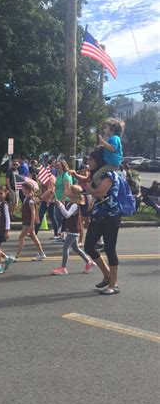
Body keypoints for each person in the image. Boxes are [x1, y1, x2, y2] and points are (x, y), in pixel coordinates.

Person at [84, 149, 122, 295]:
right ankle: (107, 274)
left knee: (110, 249)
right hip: (98, 216)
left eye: (91, 160)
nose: (88, 162)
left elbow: (102, 192)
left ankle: (114, 284)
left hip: (111, 216)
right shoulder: (96, 175)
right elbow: (97, 195)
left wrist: (89, 189)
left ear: (99, 161)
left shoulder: (110, 175)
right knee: (89, 246)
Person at [51, 185, 95, 275]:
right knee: (76, 248)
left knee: (65, 248)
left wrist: (60, 206)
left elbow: (67, 215)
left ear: (74, 194)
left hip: (73, 230)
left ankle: (63, 268)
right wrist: (60, 204)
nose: (66, 192)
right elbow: (66, 215)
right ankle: (89, 262)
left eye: (68, 191)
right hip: (71, 229)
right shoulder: (70, 203)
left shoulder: (75, 205)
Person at [15, 182, 46, 261]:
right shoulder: (26, 198)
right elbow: (24, 207)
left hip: (28, 222)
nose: (22, 190)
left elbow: (33, 212)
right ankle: (41, 253)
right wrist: (19, 209)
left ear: (27, 189)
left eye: (23, 188)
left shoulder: (31, 200)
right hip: (26, 220)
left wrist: (32, 224)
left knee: (21, 237)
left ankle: (17, 256)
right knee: (33, 237)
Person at [95, 118, 124, 185]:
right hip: (110, 163)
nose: (104, 130)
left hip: (112, 164)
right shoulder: (112, 138)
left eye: (106, 128)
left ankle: (104, 190)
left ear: (112, 129)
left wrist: (102, 142)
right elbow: (109, 147)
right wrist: (103, 146)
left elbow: (113, 148)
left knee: (96, 177)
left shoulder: (115, 138)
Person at [35, 169, 59, 239]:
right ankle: (34, 234)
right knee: (40, 216)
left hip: (50, 201)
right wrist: (37, 195)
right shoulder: (44, 179)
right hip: (44, 200)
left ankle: (56, 234)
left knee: (52, 217)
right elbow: (42, 189)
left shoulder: (51, 178)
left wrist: (40, 197)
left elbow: (50, 190)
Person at [54, 159, 73, 240]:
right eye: (56, 165)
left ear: (63, 166)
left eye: (58, 165)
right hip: (57, 199)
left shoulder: (66, 175)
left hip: (64, 199)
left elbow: (66, 188)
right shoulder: (58, 175)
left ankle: (64, 234)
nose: (57, 167)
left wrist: (63, 200)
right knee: (58, 217)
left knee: (63, 218)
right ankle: (61, 233)